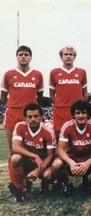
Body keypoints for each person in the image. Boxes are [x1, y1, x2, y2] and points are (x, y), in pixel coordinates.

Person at [0, 45, 44, 193]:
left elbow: (40, 96)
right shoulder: (8, 74)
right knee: (14, 151)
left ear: (30, 57)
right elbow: (3, 96)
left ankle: (26, 181)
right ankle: (17, 186)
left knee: (29, 148)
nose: (23, 57)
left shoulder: (37, 75)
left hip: (30, 115)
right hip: (13, 114)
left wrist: (29, 110)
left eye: (26, 54)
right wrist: (13, 105)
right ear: (17, 57)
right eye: (20, 54)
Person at [51, 100, 91, 196]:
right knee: (56, 164)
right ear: (73, 115)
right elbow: (60, 150)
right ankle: (68, 185)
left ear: (88, 114)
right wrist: (71, 163)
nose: (81, 116)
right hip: (72, 160)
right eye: (78, 113)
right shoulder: (67, 126)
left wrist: (87, 163)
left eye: (83, 112)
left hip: (88, 160)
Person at [10, 103, 56, 202]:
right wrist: (35, 156)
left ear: (41, 117)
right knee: (15, 158)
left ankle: (45, 183)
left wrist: (38, 170)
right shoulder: (20, 126)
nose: (33, 119)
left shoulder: (48, 131)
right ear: (25, 118)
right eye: (29, 117)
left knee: (48, 176)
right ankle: (20, 189)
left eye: (36, 116)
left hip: (43, 162)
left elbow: (51, 155)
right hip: (28, 161)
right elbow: (15, 147)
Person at [49, 46, 88, 140]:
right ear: (61, 57)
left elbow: (85, 94)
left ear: (74, 57)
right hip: (60, 110)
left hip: (76, 111)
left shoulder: (81, 72)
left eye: (71, 54)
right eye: (65, 54)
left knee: (77, 137)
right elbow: (51, 94)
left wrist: (80, 108)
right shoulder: (54, 72)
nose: (68, 56)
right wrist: (59, 105)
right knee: (60, 138)